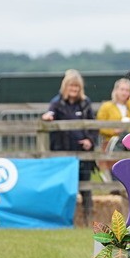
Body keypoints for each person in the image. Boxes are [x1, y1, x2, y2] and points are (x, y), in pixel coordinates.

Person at [42, 70, 98, 215]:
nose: (74, 90)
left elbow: (93, 126)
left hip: (82, 152)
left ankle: (88, 218)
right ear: (65, 87)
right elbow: (50, 114)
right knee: (63, 187)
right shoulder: (57, 103)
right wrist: (47, 117)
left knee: (85, 187)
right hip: (62, 152)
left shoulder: (85, 103)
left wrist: (90, 140)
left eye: (77, 87)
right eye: (71, 86)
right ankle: (63, 217)